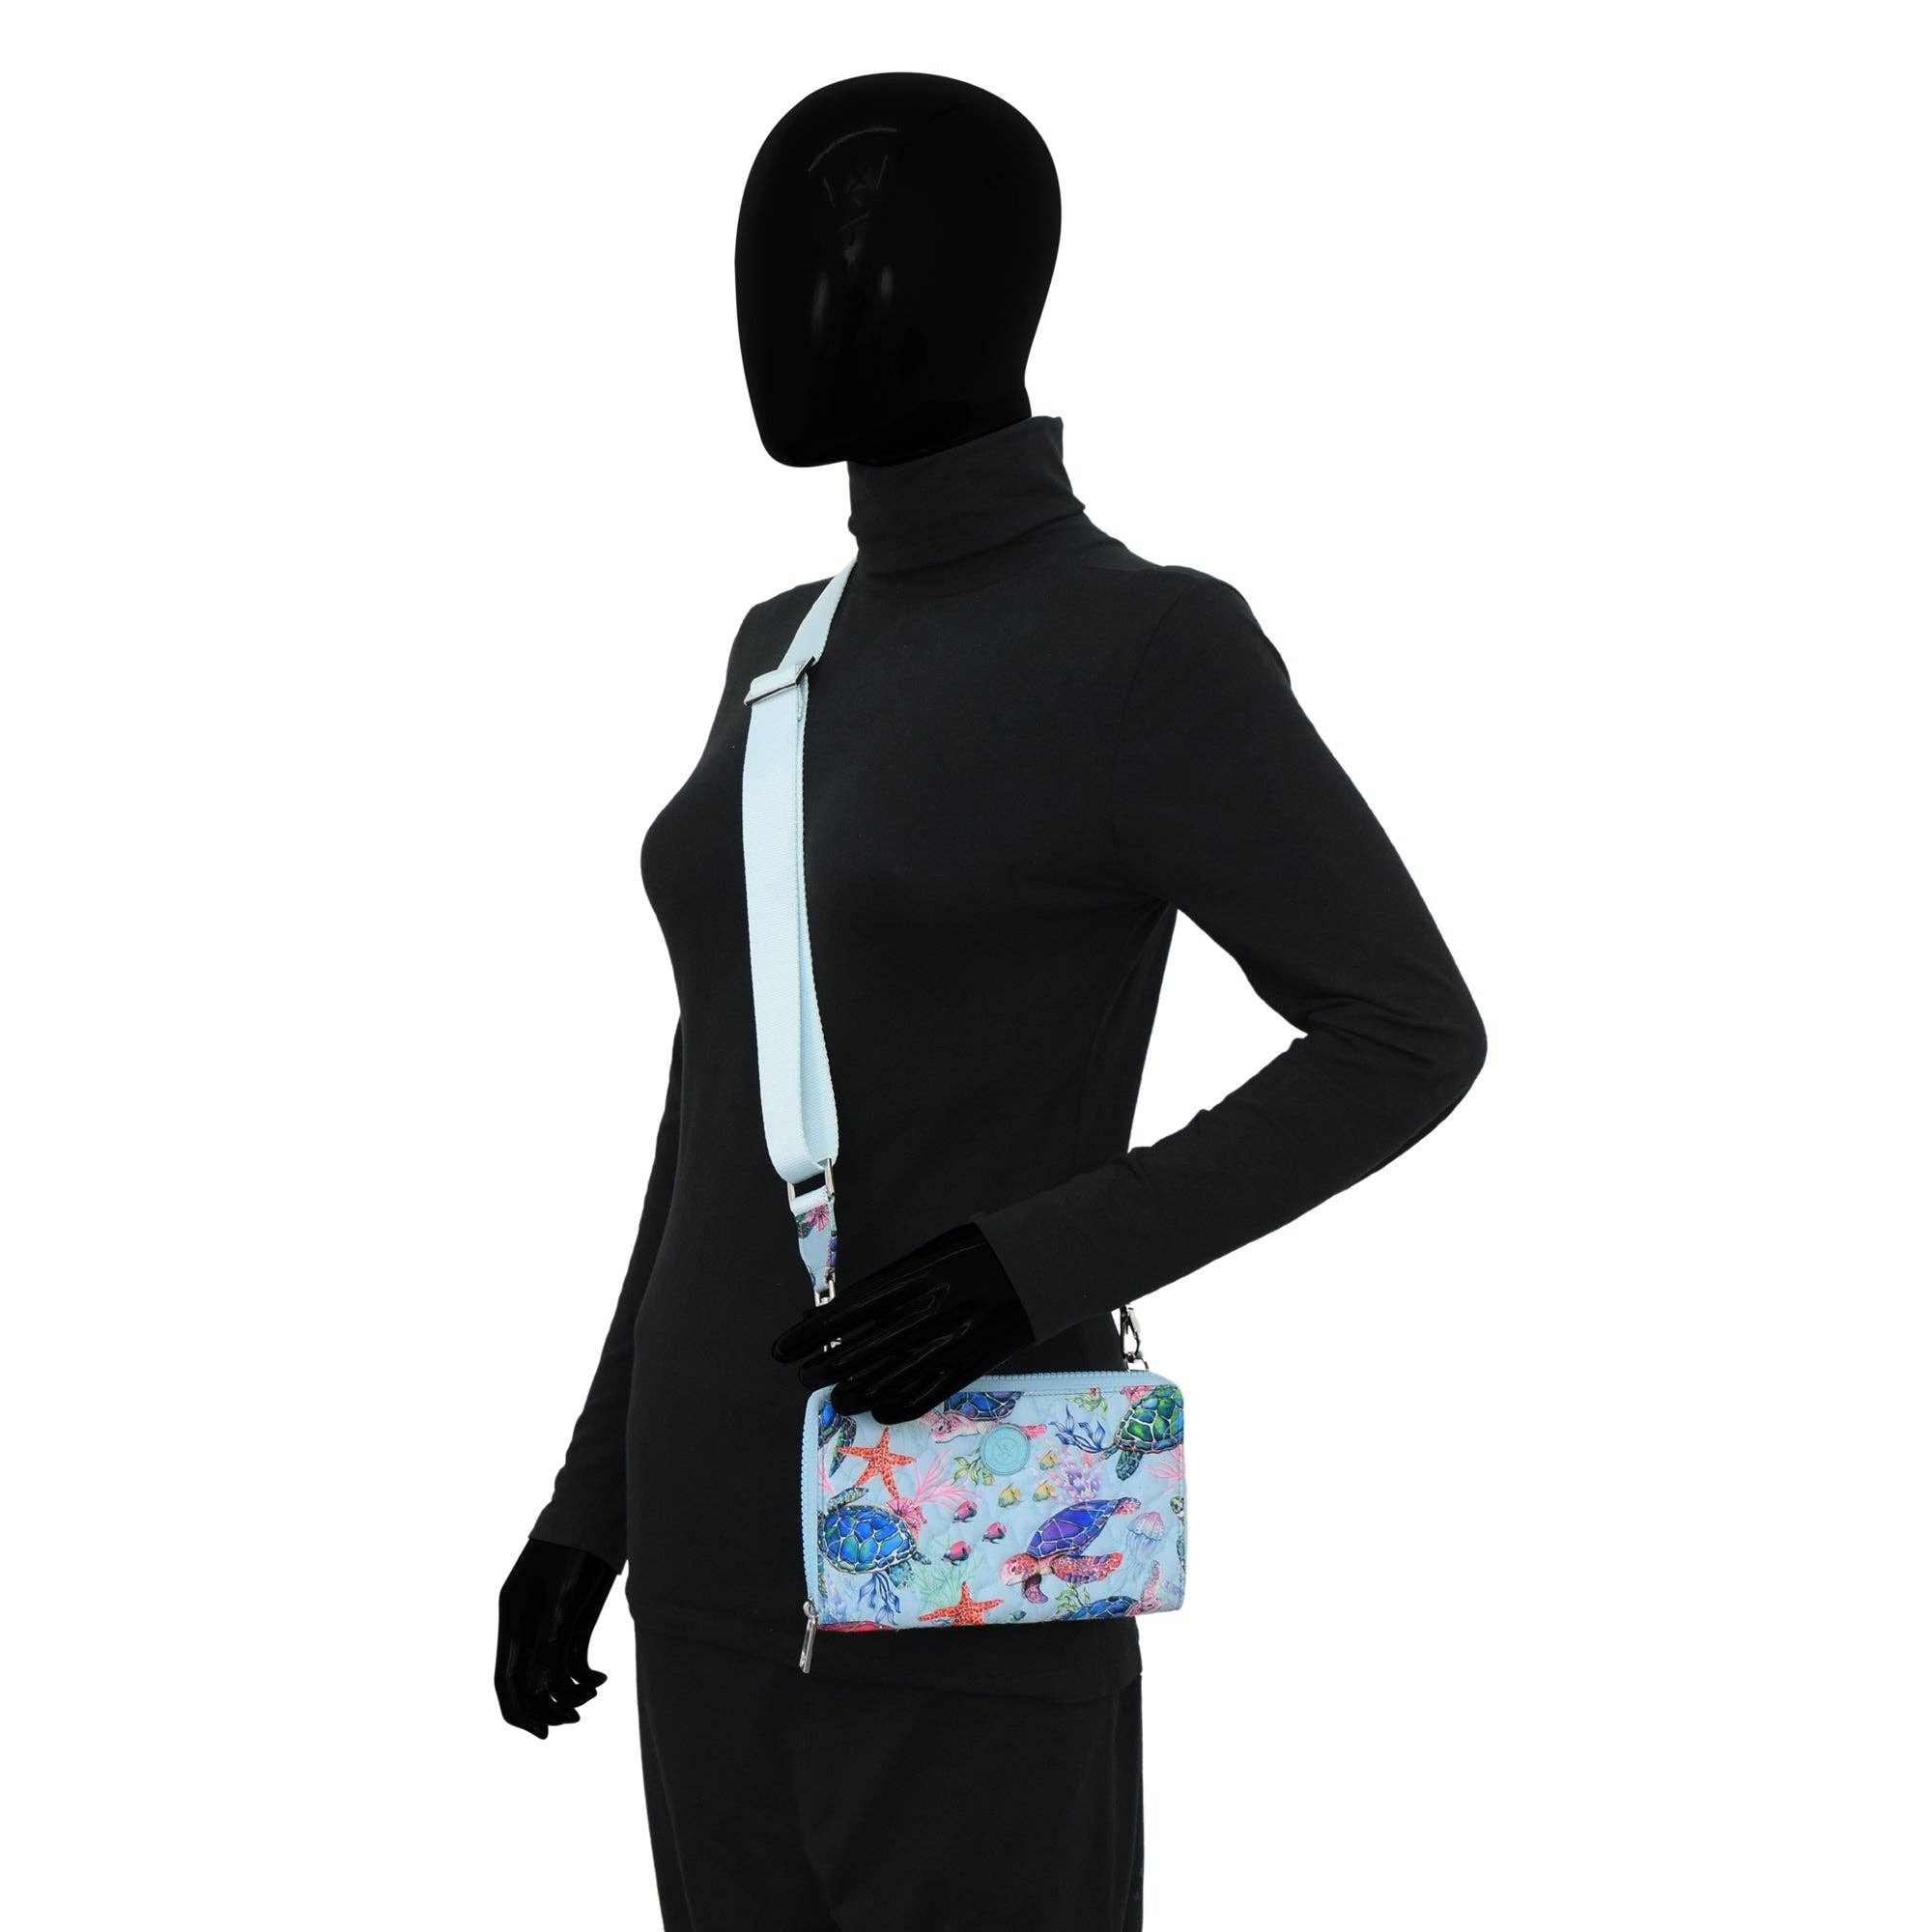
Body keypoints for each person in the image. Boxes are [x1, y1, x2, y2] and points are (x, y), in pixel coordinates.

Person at [496, 71, 1485, 1932]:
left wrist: (1034, 1261)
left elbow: (1406, 1033)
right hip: (708, 1547)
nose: (795, 300)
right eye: (774, 253)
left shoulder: (1145, 647)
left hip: (962, 1522)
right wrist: (591, 1499)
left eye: (857, 248)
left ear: (997, 283)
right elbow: (714, 1114)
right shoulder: (776, 656)